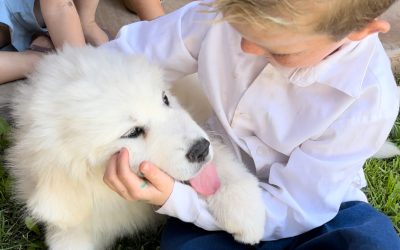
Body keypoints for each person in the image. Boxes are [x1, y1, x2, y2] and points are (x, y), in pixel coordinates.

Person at [102, 0, 400, 249]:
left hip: (320, 214)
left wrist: (177, 200)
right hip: (213, 189)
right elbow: (128, 55)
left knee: (370, 243)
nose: (248, 48)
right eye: (238, 28)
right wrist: (176, 198)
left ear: (359, 30)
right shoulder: (217, 15)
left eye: (279, 49)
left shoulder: (370, 99)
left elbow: (298, 207)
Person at [0, 0, 162, 85]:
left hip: (44, 13)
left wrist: (162, 34)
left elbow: (156, 18)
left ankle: (85, 22)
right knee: (79, 67)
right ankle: (35, 60)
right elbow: (58, 7)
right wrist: (83, 68)